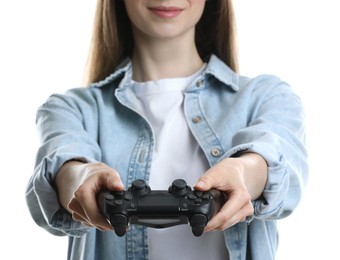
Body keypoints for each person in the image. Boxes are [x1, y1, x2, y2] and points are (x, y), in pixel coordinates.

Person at [25, 0, 308, 259]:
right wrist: (78, 177)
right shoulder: (70, 108)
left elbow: (280, 159)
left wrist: (246, 173)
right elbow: (60, 165)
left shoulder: (267, 96)